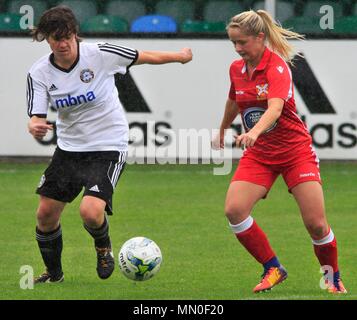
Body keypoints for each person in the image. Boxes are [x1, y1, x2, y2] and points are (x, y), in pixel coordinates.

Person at [26, 5, 192, 283]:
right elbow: (36, 116)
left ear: (75, 34)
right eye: (56, 38)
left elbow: (143, 56)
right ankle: (53, 275)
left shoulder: (100, 54)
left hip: (108, 145)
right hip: (69, 149)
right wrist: (34, 126)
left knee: (90, 212)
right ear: (46, 39)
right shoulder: (39, 73)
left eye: (67, 36)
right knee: (45, 214)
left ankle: (103, 248)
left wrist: (179, 56)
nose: (64, 44)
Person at [215, 10, 346, 294]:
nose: (238, 49)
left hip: (295, 152)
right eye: (233, 43)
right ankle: (273, 267)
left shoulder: (277, 67)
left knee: (316, 225)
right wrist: (223, 129)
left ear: (260, 38)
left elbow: (274, 108)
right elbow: (234, 101)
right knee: (234, 210)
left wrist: (253, 132)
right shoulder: (236, 69)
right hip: (260, 153)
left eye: (242, 42)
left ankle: (332, 276)